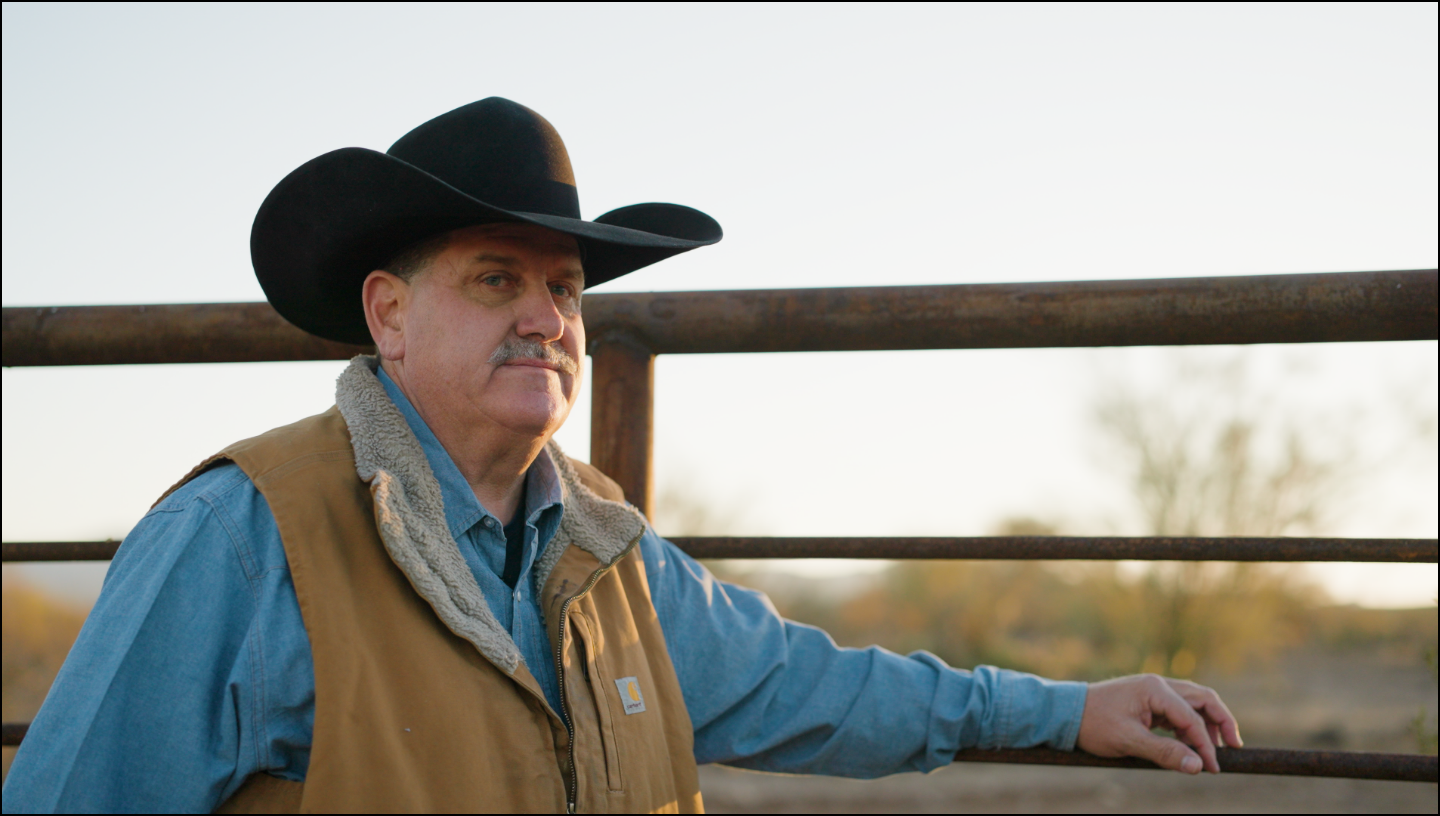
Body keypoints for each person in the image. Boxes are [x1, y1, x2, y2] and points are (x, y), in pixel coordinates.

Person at [1, 98, 1240, 814]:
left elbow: (802, 684)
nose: (545, 317)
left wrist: (1069, 710)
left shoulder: (601, 541)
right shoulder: (240, 537)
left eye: (564, 287)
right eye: (497, 280)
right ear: (388, 314)